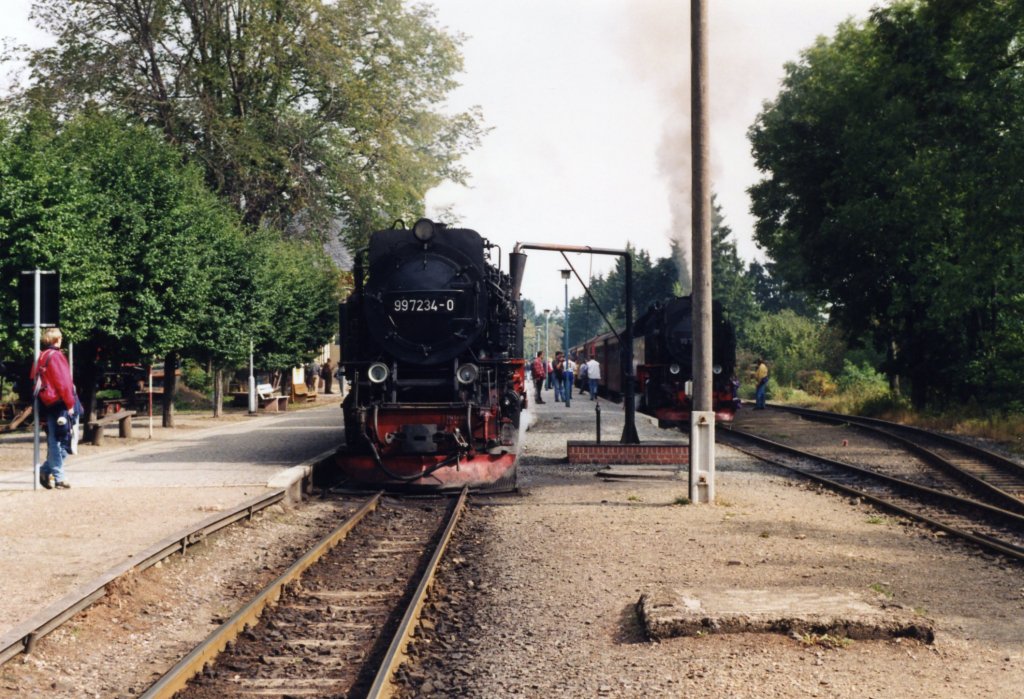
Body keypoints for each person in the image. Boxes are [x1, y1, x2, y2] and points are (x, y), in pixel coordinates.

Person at [30, 327, 79, 489]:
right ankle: (57, 477)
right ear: (57, 339)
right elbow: (63, 382)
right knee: (62, 440)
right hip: (59, 402)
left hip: (46, 402)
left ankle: (46, 471)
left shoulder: (41, 356)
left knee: (55, 440)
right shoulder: (56, 356)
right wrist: (70, 404)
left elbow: (33, 377)